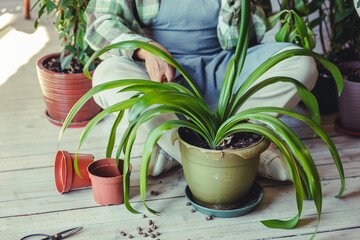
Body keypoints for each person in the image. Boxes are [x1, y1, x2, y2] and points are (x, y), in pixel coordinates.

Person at [84, 0, 318, 180]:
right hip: (166, 79)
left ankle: (227, 137)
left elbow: (249, 36)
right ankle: (240, 154)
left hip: (228, 72)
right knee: (107, 74)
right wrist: (145, 49)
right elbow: (100, 21)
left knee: (300, 62)